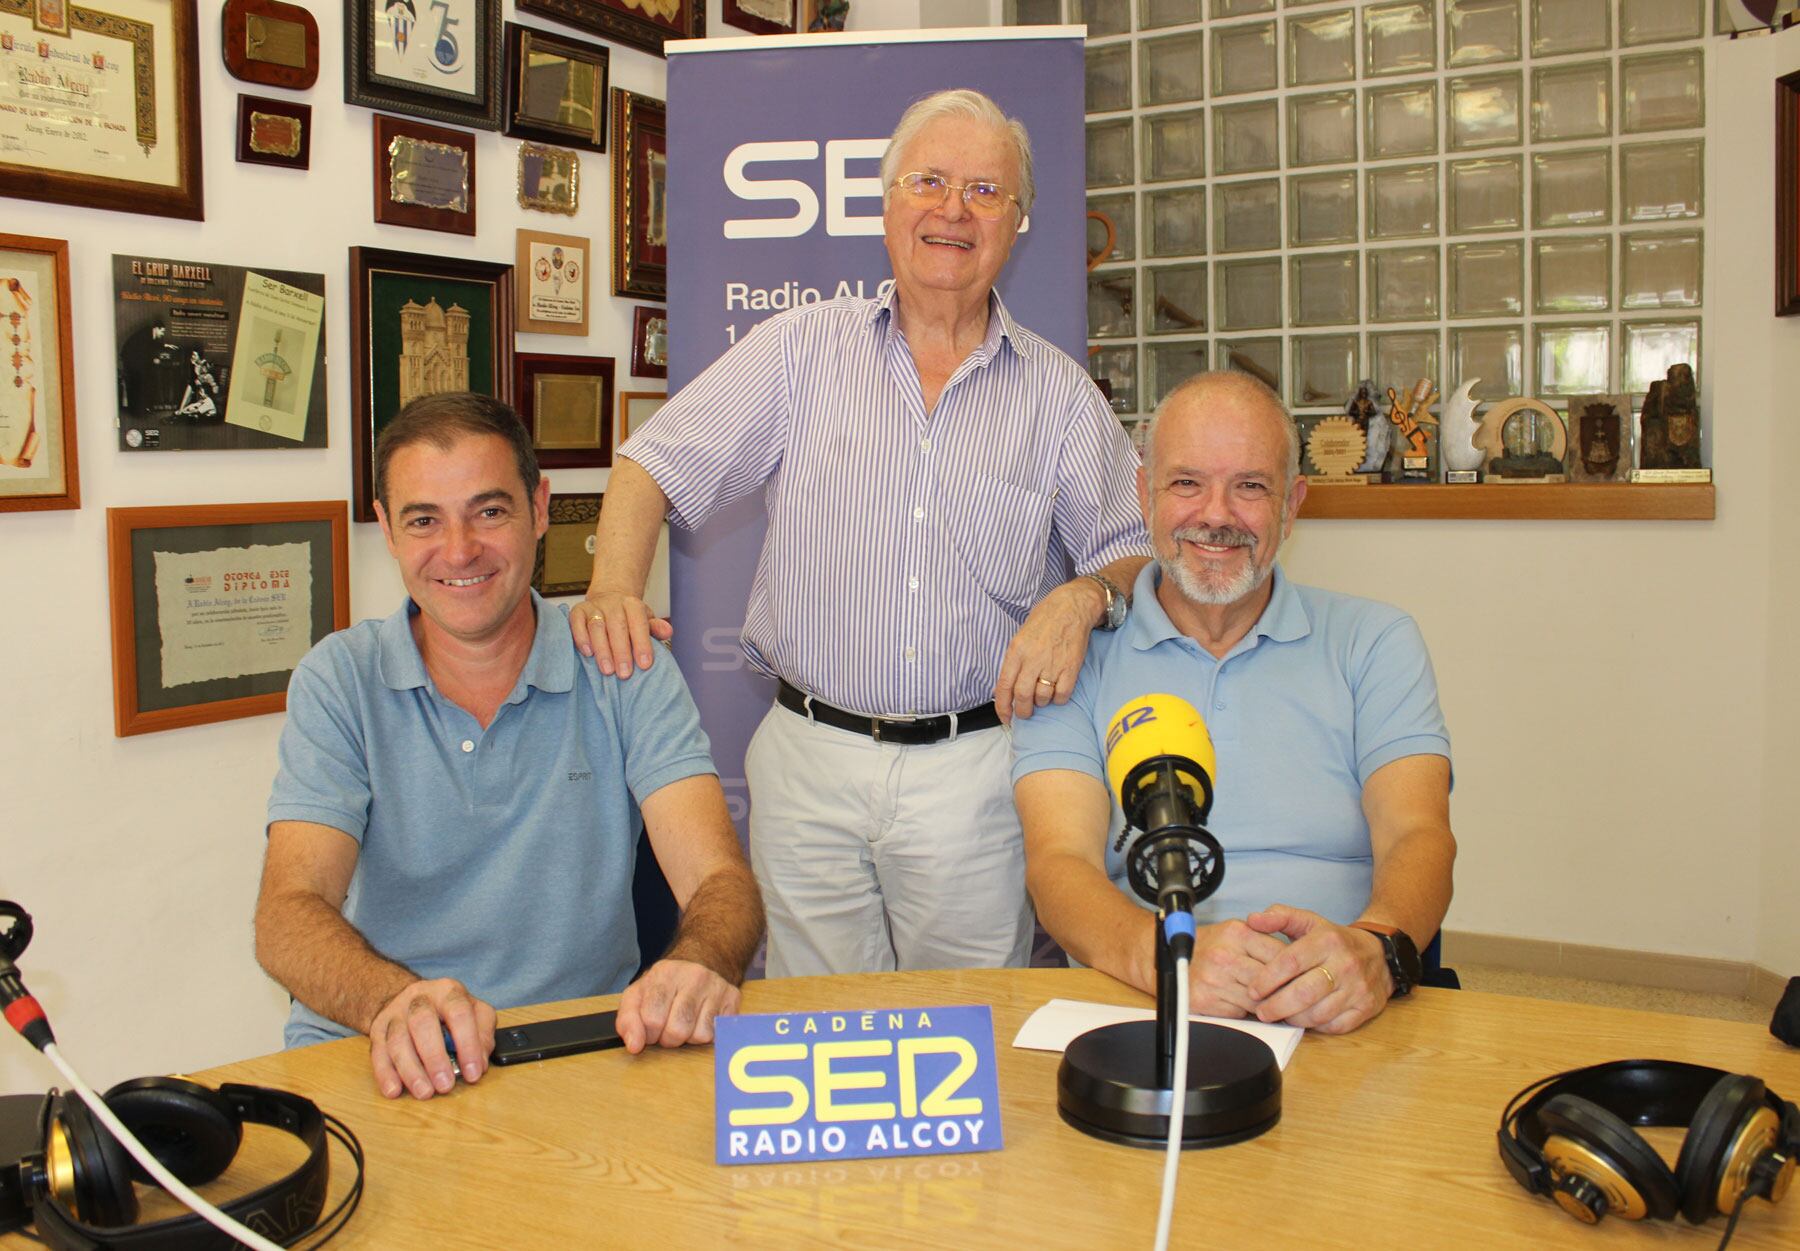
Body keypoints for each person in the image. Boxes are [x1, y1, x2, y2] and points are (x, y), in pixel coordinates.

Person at [568, 89, 1151, 977]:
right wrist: (614, 584)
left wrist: (1084, 593)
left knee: (969, 1038)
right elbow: (651, 464)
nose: (954, 210)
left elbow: (1131, 550)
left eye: (986, 192)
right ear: (887, 207)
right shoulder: (799, 349)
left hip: (978, 769)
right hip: (810, 760)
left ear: (1019, 223)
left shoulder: (1060, 395)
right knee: (817, 1032)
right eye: (930, 181)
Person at [253, 393, 762, 1100]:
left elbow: (721, 882)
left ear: (540, 507)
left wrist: (701, 961)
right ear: (387, 531)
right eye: (424, 520)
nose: (459, 550)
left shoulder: (622, 665)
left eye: (489, 511)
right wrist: (395, 1005)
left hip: (575, 1056)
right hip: (380, 1052)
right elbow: (287, 912)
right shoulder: (340, 679)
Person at [1011, 371, 1455, 1034]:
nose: (1216, 514)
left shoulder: (1375, 642)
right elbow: (1057, 865)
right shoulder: (1074, 656)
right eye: (1186, 483)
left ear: (1292, 503)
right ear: (1143, 494)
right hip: (1141, 1001)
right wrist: (1163, 958)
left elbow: (1419, 835)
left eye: (1250, 485)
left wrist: (1375, 947)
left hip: (1340, 1011)